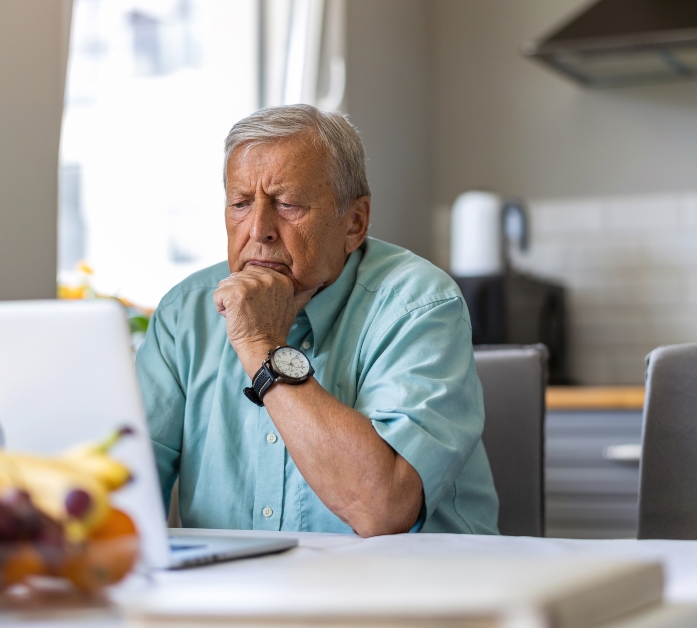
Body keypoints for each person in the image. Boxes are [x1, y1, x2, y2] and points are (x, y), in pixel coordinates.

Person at [136, 104, 498, 537]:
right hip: (236, 581)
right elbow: (121, 490)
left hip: (409, 579)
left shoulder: (420, 304)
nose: (259, 229)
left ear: (354, 223)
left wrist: (262, 347)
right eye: (241, 203)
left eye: (288, 204)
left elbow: (381, 509)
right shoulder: (185, 312)